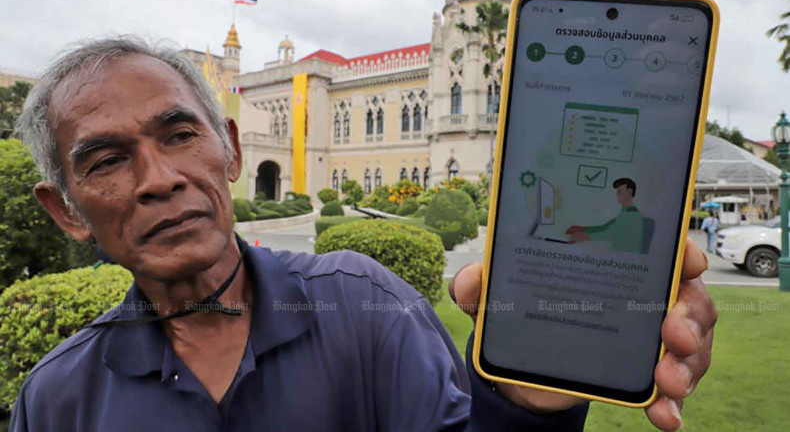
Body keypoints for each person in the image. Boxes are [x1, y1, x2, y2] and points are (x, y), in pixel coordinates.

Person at [9, 38, 717, 431]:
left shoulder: (365, 311)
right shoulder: (58, 400)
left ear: (229, 149)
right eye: (106, 160)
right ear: (66, 208)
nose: (159, 177)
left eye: (180, 133)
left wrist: (533, 399)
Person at [566, 177, 646, 253]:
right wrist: (582, 229)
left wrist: (583, 237)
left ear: (630, 191)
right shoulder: (626, 212)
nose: (617, 194)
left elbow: (609, 234)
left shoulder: (631, 214)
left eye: (619, 191)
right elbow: (604, 228)